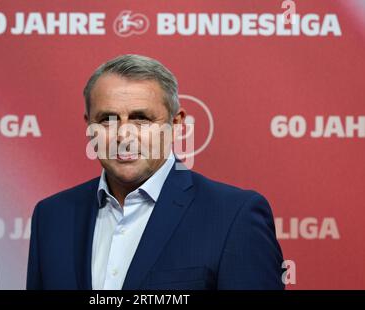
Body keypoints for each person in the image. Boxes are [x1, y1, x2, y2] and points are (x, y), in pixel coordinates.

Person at [27, 54, 284, 290]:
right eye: (107, 119)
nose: (123, 135)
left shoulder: (233, 216)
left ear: (176, 123)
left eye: (141, 118)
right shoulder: (51, 216)